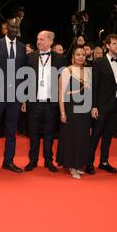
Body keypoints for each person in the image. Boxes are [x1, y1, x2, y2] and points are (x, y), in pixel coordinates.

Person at [0, 18, 27, 177]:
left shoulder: (22, 47)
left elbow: (24, 74)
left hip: (15, 97)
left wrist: (23, 96)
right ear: (6, 28)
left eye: (17, 27)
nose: (15, 30)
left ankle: (8, 161)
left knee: (11, 131)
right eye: (12, 27)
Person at [22, 31, 67, 173]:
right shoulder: (29, 58)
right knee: (33, 133)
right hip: (33, 102)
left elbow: (64, 83)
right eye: (37, 39)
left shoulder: (60, 59)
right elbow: (24, 80)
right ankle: (33, 160)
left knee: (49, 134)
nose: (38, 42)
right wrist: (23, 99)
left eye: (41, 39)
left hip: (51, 104)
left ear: (50, 41)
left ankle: (48, 160)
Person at [87, 34, 117, 175]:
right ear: (107, 46)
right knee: (95, 136)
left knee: (108, 136)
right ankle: (89, 162)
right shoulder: (99, 62)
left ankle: (104, 162)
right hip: (101, 106)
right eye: (114, 43)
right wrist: (93, 106)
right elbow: (94, 86)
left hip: (115, 106)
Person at [57, 46, 92, 179]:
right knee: (72, 137)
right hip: (71, 108)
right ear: (73, 56)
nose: (81, 57)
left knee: (82, 136)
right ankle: (71, 165)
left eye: (83, 54)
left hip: (84, 109)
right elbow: (60, 93)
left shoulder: (88, 71)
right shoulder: (67, 71)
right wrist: (62, 113)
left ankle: (78, 164)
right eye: (78, 54)